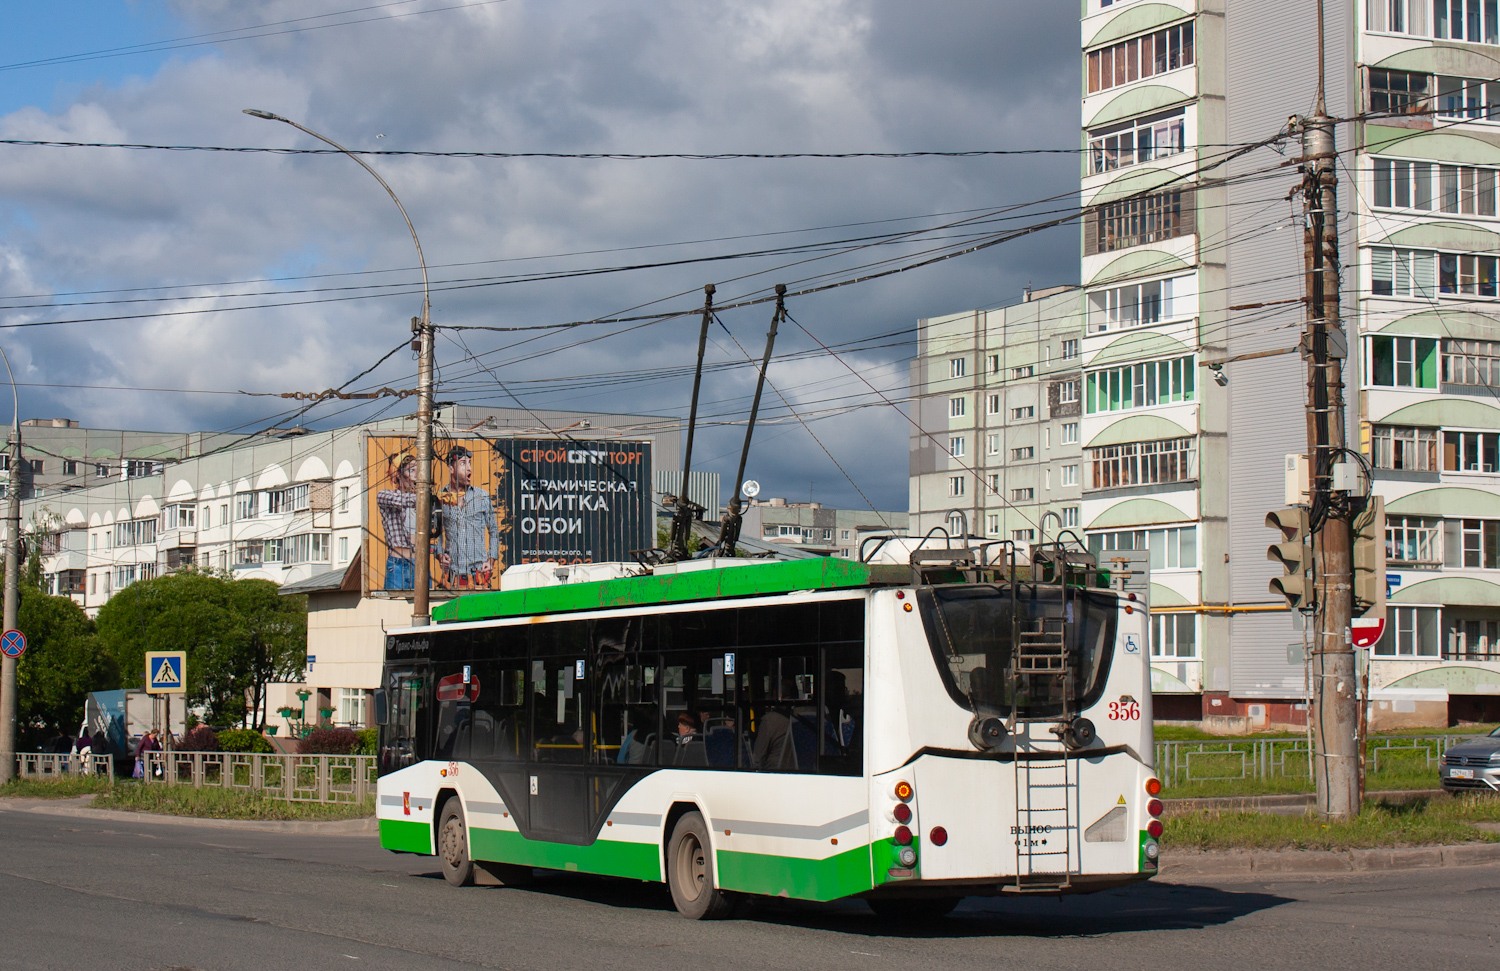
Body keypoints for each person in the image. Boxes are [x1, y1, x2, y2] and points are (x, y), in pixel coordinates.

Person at [435, 446, 501, 589]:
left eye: (470, 463)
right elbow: (436, 532)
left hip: (478, 575)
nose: (469, 468)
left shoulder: (481, 496)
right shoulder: (441, 497)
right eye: (463, 463)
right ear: (451, 468)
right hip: (453, 577)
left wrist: (491, 561)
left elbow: (494, 531)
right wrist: (440, 554)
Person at [376, 453, 420, 590]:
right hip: (397, 564)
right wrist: (423, 496)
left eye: (419, 470)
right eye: (411, 470)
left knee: (425, 607)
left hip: (419, 563)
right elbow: (403, 500)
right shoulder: (385, 495)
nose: (417, 475)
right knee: (396, 606)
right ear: (398, 475)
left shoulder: (422, 502)